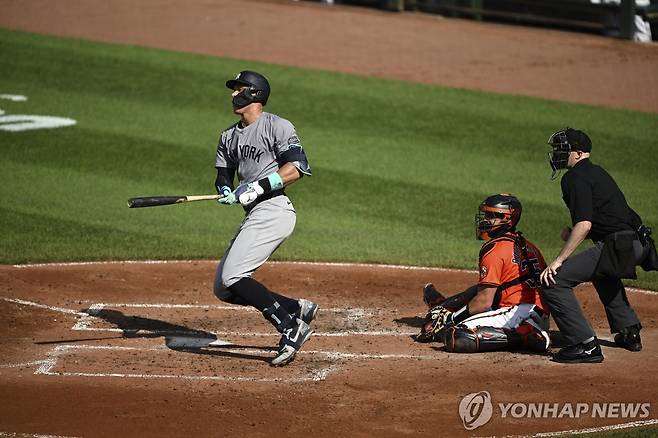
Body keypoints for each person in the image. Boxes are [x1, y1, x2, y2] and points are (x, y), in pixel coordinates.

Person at [213, 70, 316, 367]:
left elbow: (297, 167)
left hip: (274, 210)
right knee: (223, 288)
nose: (233, 94)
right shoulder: (228, 136)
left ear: (255, 94)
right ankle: (295, 308)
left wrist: (256, 187)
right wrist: (225, 189)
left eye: (239, 89)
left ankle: (290, 326)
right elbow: (223, 175)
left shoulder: (277, 127)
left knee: (234, 276)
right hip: (255, 213)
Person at [540, 128, 651, 364]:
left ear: (578, 153)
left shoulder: (574, 178)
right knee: (603, 270)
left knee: (554, 281)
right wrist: (572, 233)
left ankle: (584, 344)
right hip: (638, 243)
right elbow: (608, 216)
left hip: (620, 245)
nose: (558, 153)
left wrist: (558, 260)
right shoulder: (597, 172)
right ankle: (628, 330)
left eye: (563, 149)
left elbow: (585, 224)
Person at [416, 194, 551, 354]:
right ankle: (441, 305)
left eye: (491, 216)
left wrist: (450, 319)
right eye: (486, 215)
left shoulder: (495, 249)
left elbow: (484, 302)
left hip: (517, 314)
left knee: (454, 334)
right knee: (476, 290)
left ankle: (525, 336)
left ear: (507, 219)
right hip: (538, 313)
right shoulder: (529, 245)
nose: (485, 220)